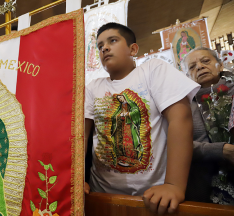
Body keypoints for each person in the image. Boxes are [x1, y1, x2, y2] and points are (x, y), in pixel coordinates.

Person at [84, 22, 200, 214]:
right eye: (100, 46)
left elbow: (181, 119)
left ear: (133, 48)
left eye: (112, 41)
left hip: (153, 196)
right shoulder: (93, 87)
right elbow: (81, 135)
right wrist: (75, 178)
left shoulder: (153, 70)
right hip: (101, 194)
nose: (104, 47)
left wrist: (173, 185)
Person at [181, 47, 234, 205]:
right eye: (192, 66)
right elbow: (178, 145)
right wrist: (222, 150)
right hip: (206, 184)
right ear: (187, 76)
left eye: (205, 61)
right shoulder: (183, 105)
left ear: (219, 65)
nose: (199, 66)